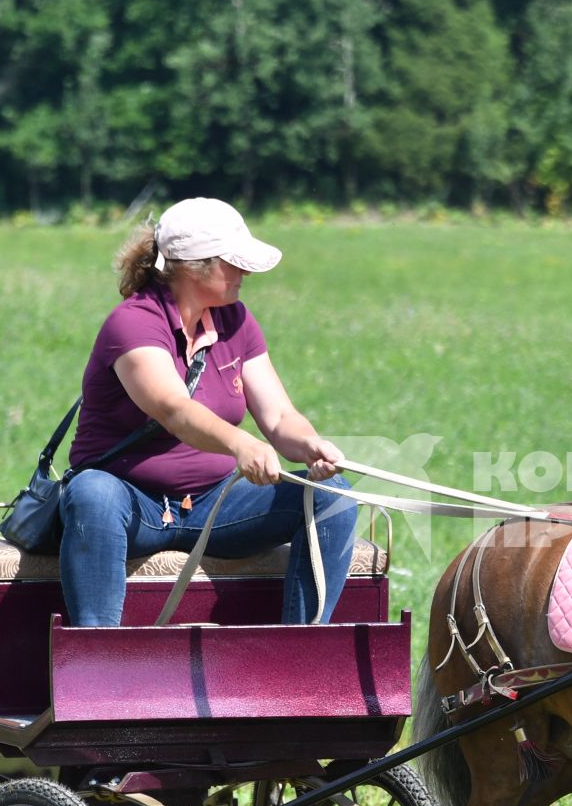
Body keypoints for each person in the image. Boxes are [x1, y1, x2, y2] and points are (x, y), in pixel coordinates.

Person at [58, 198, 358, 626]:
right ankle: (97, 658)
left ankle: (300, 654)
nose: (246, 273)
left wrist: (308, 444)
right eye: (233, 264)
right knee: (93, 493)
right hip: (132, 504)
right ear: (193, 267)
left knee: (333, 498)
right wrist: (241, 444)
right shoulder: (133, 323)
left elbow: (278, 418)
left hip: (217, 505)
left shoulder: (236, 320)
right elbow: (175, 410)